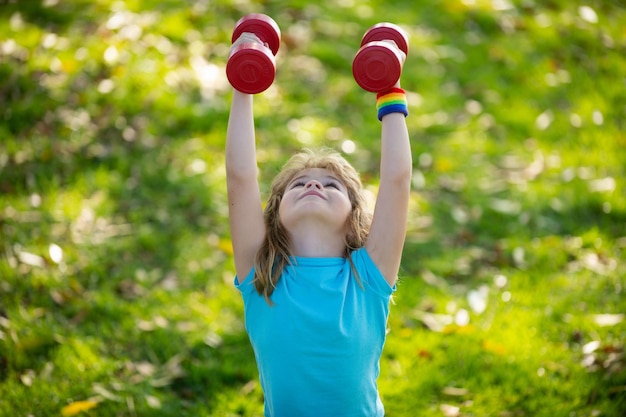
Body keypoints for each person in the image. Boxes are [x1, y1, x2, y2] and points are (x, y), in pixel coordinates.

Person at [225, 28, 411, 417]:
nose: (313, 183)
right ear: (275, 215)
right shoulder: (264, 277)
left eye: (331, 185)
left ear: (353, 217)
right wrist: (243, 84)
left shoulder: (368, 278)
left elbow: (396, 180)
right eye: (299, 183)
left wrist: (390, 89)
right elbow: (240, 178)